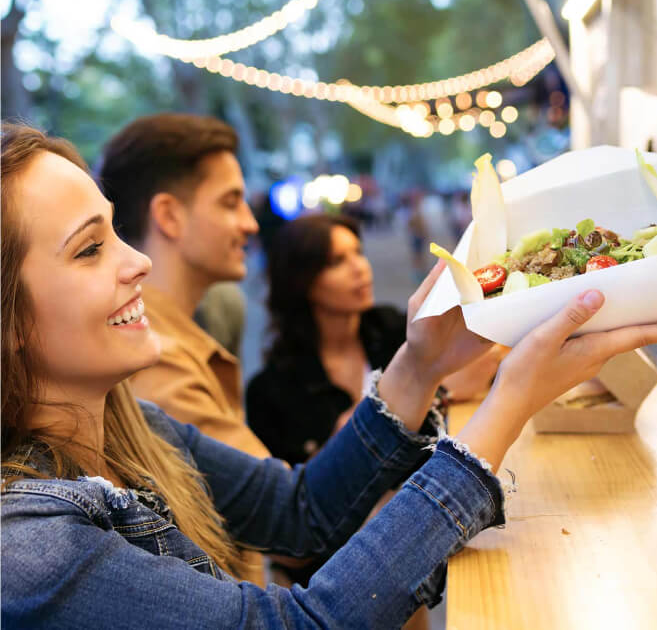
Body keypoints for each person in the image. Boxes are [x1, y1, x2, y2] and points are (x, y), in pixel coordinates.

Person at [4, 123, 656, 629]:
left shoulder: (134, 426)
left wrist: (421, 362)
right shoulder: (28, 547)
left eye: (117, 232)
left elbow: (303, 510)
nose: (137, 261)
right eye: (90, 249)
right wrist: (505, 405)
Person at [98, 113, 269, 583]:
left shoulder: (190, 328)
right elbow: (291, 512)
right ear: (169, 215)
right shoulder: (154, 358)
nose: (250, 223)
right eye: (231, 202)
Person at [247, 213, 503, 467]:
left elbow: (475, 365)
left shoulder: (394, 329)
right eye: (336, 261)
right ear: (301, 281)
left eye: (357, 252)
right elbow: (292, 494)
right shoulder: (271, 391)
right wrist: (435, 391)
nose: (359, 267)